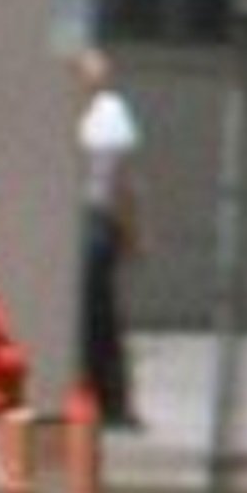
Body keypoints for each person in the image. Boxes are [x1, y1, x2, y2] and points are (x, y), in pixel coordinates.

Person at [73, 47, 141, 430]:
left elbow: (123, 183)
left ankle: (108, 397)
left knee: (97, 312)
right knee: (95, 313)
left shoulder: (108, 115)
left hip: (96, 219)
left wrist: (130, 229)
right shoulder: (89, 113)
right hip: (87, 219)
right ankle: (102, 394)